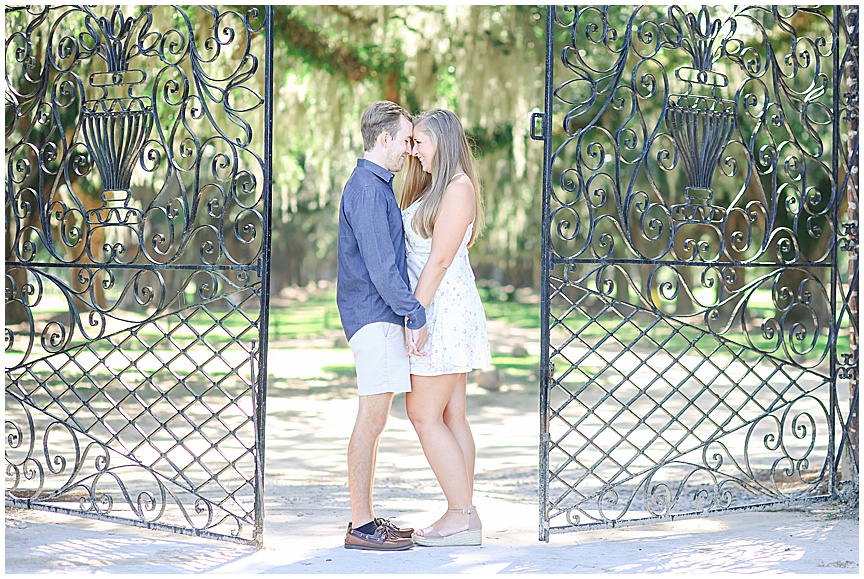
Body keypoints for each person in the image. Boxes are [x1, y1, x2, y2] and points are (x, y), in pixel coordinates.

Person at [336, 101, 429, 551]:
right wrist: (414, 310)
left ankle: (366, 519)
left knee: (374, 423)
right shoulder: (369, 190)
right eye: (407, 140)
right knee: (370, 422)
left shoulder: (375, 186)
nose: (410, 150)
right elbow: (381, 267)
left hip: (376, 316)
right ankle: (360, 525)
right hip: (374, 317)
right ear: (384, 138)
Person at [399, 109, 492, 547]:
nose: (413, 151)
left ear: (443, 140)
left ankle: (459, 514)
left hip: (442, 311)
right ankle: (465, 518)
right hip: (437, 306)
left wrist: (415, 315)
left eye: (419, 142)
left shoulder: (458, 188)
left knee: (422, 413)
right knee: (452, 415)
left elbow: (438, 261)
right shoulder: (438, 188)